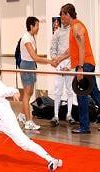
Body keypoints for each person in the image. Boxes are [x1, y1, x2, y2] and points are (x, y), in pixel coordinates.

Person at [0, 59, 62, 171]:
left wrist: (15, 92)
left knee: (24, 144)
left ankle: (51, 159)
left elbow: (8, 90)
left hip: (7, 121)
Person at [60, 3, 100, 133]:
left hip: (85, 65)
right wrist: (58, 59)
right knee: (95, 94)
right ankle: (84, 126)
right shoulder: (73, 28)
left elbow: (82, 48)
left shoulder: (77, 27)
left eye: (62, 15)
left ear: (68, 14)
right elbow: (72, 50)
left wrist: (81, 68)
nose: (61, 18)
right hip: (85, 64)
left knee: (81, 95)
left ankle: (84, 127)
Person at [18, 16, 54, 130]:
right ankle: (28, 121)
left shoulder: (31, 37)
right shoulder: (26, 38)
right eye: (37, 25)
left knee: (29, 92)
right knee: (27, 94)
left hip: (31, 66)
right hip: (27, 66)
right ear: (31, 26)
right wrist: (49, 61)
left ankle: (21, 115)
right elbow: (34, 56)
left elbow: (34, 57)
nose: (38, 28)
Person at [49, 17, 76, 127]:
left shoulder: (73, 31)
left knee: (70, 91)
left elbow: (74, 50)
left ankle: (69, 115)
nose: (64, 21)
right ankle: (56, 116)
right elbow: (52, 49)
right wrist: (56, 61)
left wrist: (69, 66)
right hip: (59, 65)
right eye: (62, 19)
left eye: (65, 19)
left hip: (69, 65)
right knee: (58, 91)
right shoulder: (57, 32)